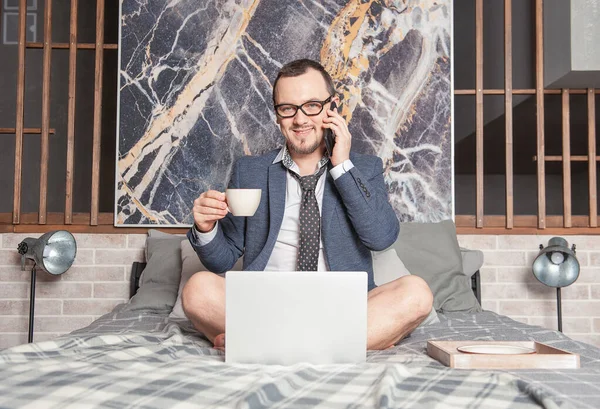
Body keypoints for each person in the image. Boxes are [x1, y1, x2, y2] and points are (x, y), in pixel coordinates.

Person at [183, 59, 433, 351]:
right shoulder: (249, 171)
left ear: (332, 107)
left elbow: (381, 238)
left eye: (312, 105)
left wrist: (341, 166)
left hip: (343, 307)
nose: (300, 120)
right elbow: (222, 260)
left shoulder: (363, 168)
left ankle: (265, 342)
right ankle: (346, 342)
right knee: (197, 289)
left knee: (417, 293)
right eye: (288, 108)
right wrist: (205, 227)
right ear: (278, 115)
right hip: (266, 304)